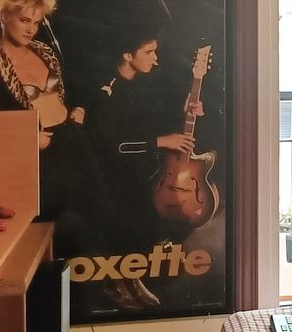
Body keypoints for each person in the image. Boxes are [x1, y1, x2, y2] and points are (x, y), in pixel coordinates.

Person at [0, 0, 151, 308]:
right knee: (66, 222)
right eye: (24, 20)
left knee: (101, 205)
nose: (31, 29)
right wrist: (26, 138)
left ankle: (122, 275)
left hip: (71, 135)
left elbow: (73, 88)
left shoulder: (44, 50)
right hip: (39, 150)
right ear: (4, 16)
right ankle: (104, 283)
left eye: (36, 22)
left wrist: (79, 109)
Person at [88, 27, 206, 271]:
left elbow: (149, 127)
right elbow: (112, 146)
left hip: (148, 179)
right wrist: (161, 142)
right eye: (149, 52)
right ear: (127, 55)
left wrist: (187, 112)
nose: (155, 58)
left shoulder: (144, 84)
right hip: (117, 188)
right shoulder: (107, 92)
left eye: (156, 51)